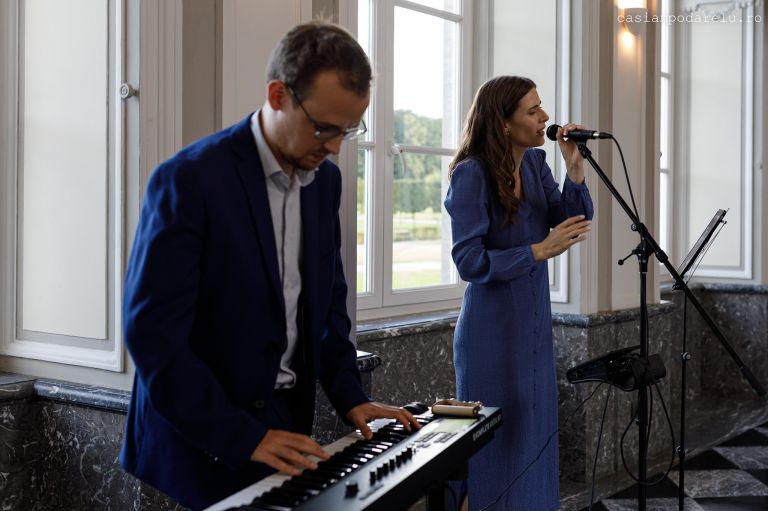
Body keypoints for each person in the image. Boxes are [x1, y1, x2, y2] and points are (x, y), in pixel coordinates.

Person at [119, 21, 419, 510]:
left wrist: (351, 395)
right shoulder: (189, 180)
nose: (335, 147)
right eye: (324, 128)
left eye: (348, 130)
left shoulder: (324, 182)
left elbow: (327, 301)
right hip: (201, 429)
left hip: (281, 418)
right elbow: (152, 335)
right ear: (278, 95)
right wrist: (241, 436)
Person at [444, 75, 594, 510]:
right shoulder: (470, 174)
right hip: (489, 332)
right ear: (504, 123)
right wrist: (537, 250)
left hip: (532, 325)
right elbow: (469, 261)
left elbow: (572, 221)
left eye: (541, 107)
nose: (545, 117)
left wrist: (575, 168)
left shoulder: (534, 163)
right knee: (492, 444)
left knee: (531, 438)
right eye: (533, 110)